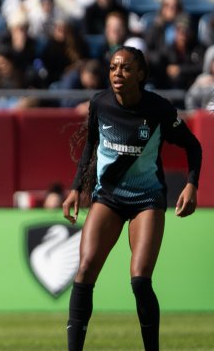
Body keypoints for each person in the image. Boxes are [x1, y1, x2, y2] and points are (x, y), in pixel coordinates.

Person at [62, 47, 202, 351]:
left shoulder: (158, 110)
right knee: (85, 271)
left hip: (146, 199)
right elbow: (90, 147)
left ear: (140, 74)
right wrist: (75, 188)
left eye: (125, 68)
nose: (117, 74)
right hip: (108, 198)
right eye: (113, 67)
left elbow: (193, 146)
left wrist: (192, 185)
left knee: (139, 279)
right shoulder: (100, 103)